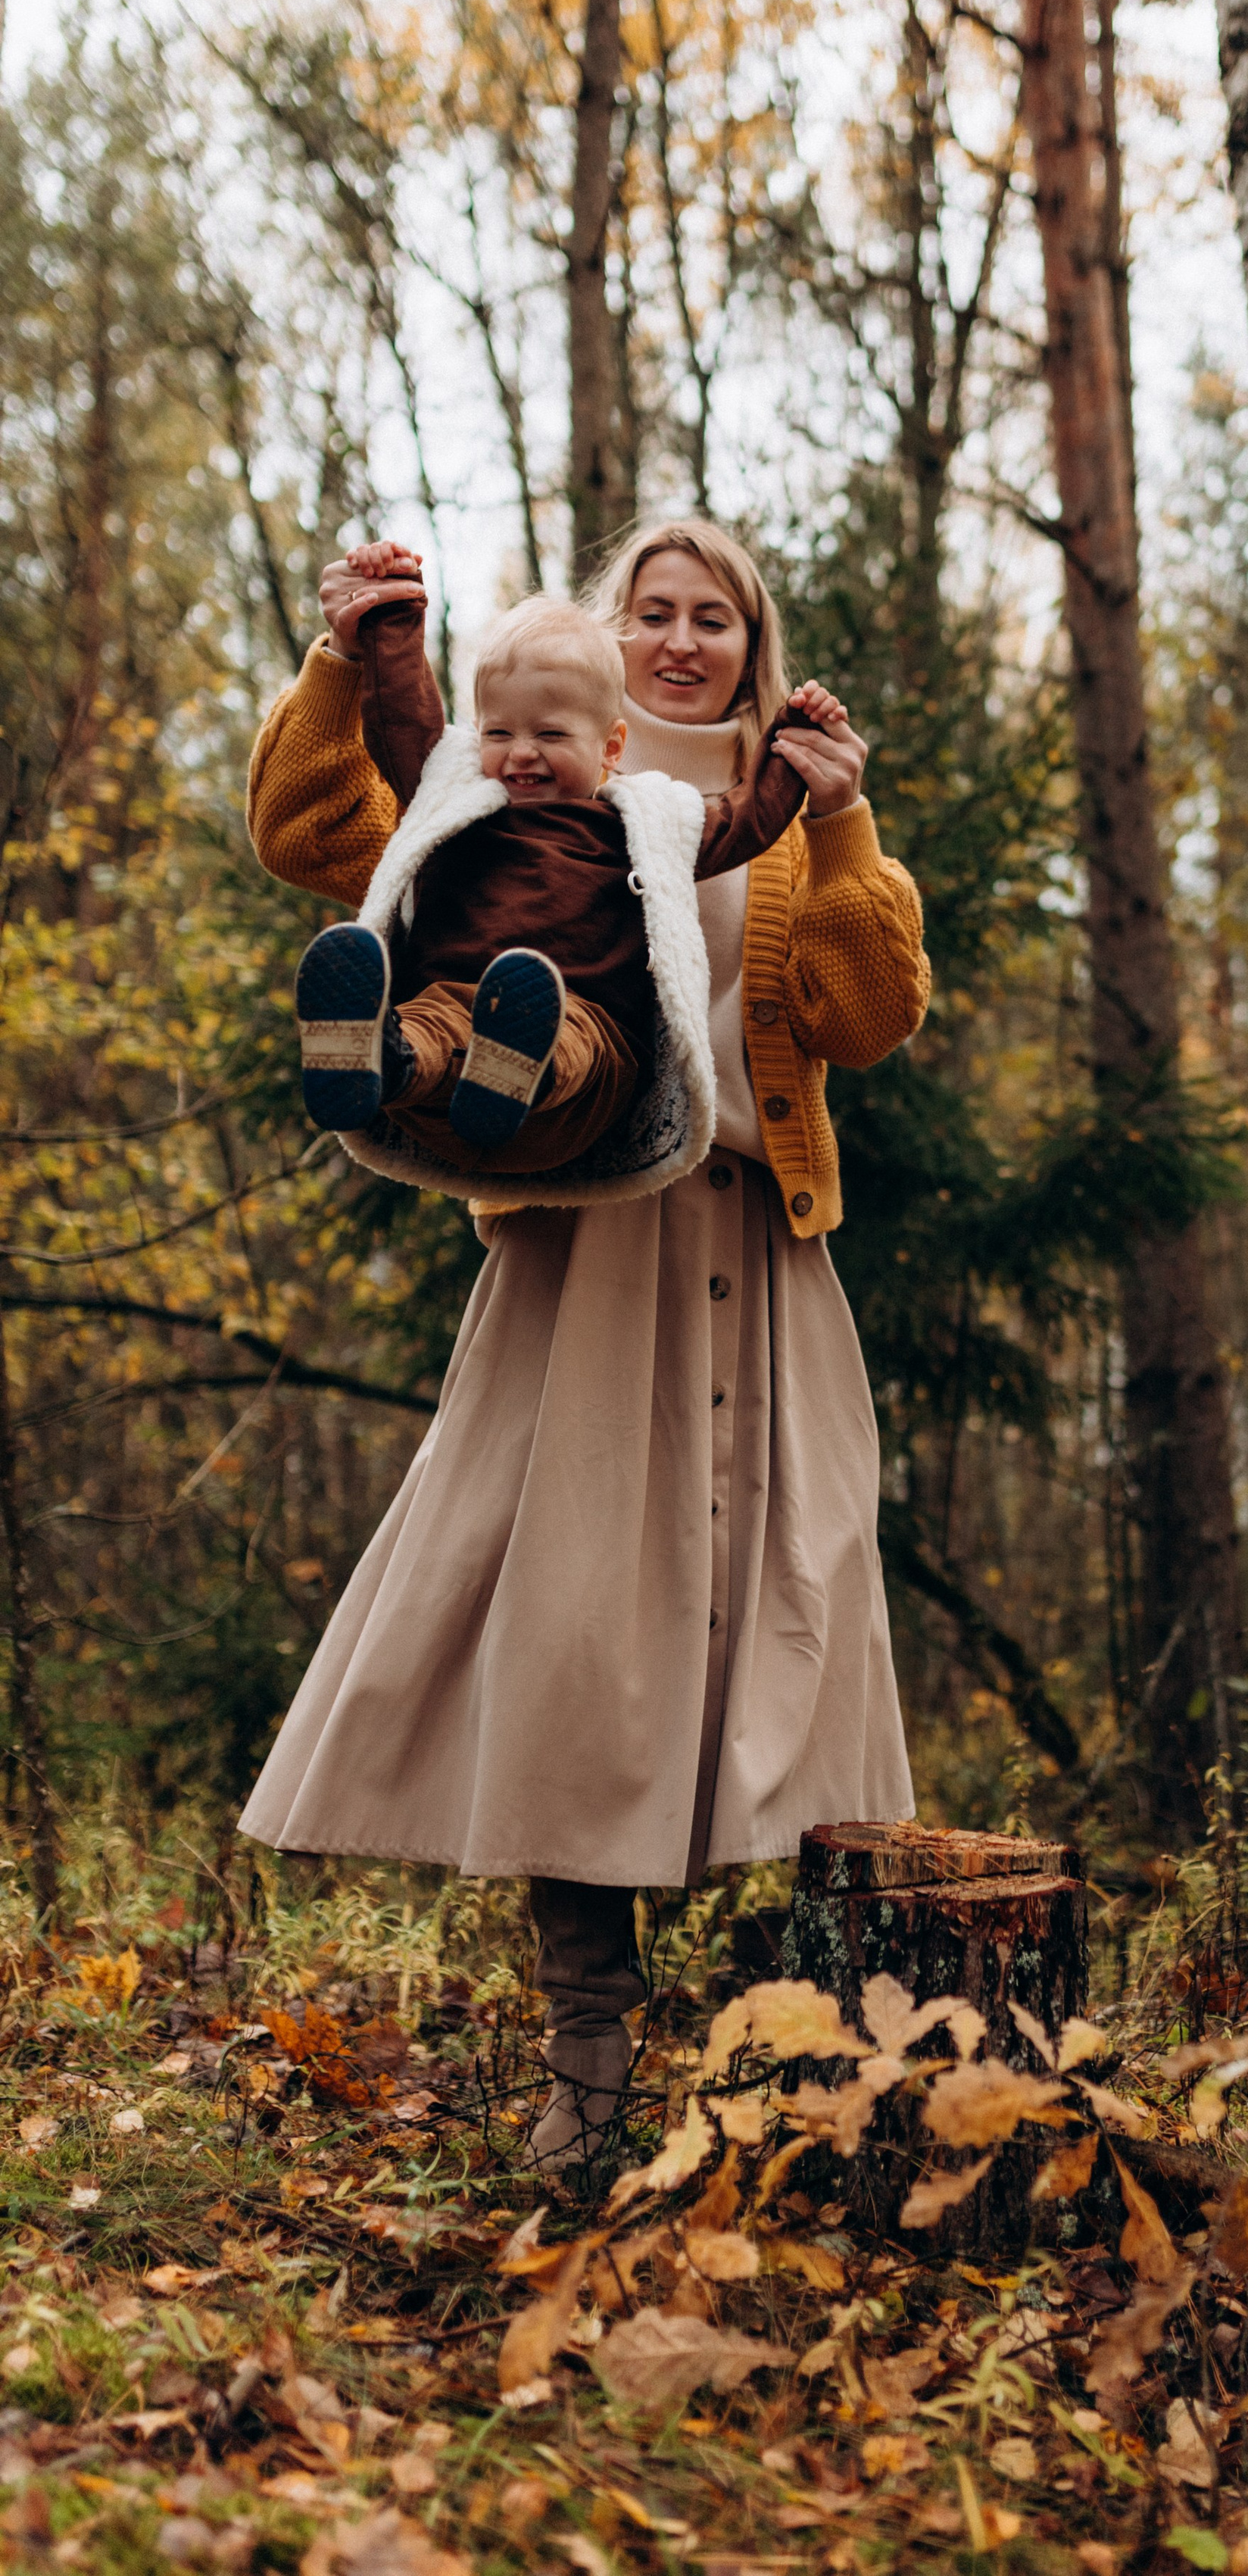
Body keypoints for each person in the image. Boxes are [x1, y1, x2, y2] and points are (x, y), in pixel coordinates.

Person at [239, 517, 928, 2167]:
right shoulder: (510, 777)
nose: (682, 639)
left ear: (753, 647)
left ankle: (814, 2069)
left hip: (760, 1262)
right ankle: (589, 2073)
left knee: (794, 1639)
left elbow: (869, 1015)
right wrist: (348, 657)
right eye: (654, 612)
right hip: (583, 1260)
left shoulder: (768, 813)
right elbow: (309, 827)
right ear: (610, 642)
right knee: (570, 1647)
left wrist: (842, 824)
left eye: (715, 617)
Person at [290, 560, 833, 1174]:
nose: (522, 754)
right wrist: (391, 618)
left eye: (550, 735)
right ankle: (383, 1063)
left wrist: (793, 739)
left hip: (581, 1061)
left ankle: (517, 1065)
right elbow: (402, 720)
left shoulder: (637, 825)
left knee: (571, 1038)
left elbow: (745, 819)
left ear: (611, 748)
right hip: (448, 1064)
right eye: (499, 733)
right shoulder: (460, 799)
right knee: (432, 1023)